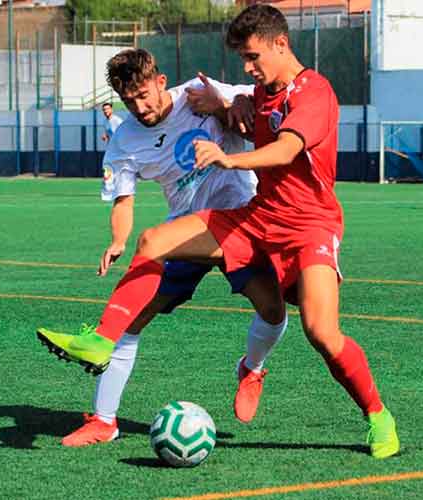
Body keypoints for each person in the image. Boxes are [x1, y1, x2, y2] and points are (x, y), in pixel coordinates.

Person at [36, 5, 399, 459]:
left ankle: (374, 414)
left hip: (309, 226)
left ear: (280, 44)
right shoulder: (258, 91)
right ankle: (101, 356)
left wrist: (229, 145)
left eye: (252, 58)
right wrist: (232, 103)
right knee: (153, 243)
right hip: (253, 217)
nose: (248, 69)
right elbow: (243, 107)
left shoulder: (315, 92)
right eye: (245, 62)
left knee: (320, 332)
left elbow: (286, 148)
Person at [38, 48, 287, 447]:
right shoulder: (124, 141)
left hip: (241, 218)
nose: (139, 107)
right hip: (187, 233)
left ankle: (252, 368)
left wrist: (230, 101)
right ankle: (104, 421)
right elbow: (123, 199)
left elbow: (255, 101)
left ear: (160, 81)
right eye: (129, 101)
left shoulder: (198, 92)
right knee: (130, 322)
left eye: (143, 95)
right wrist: (118, 239)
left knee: (273, 312)